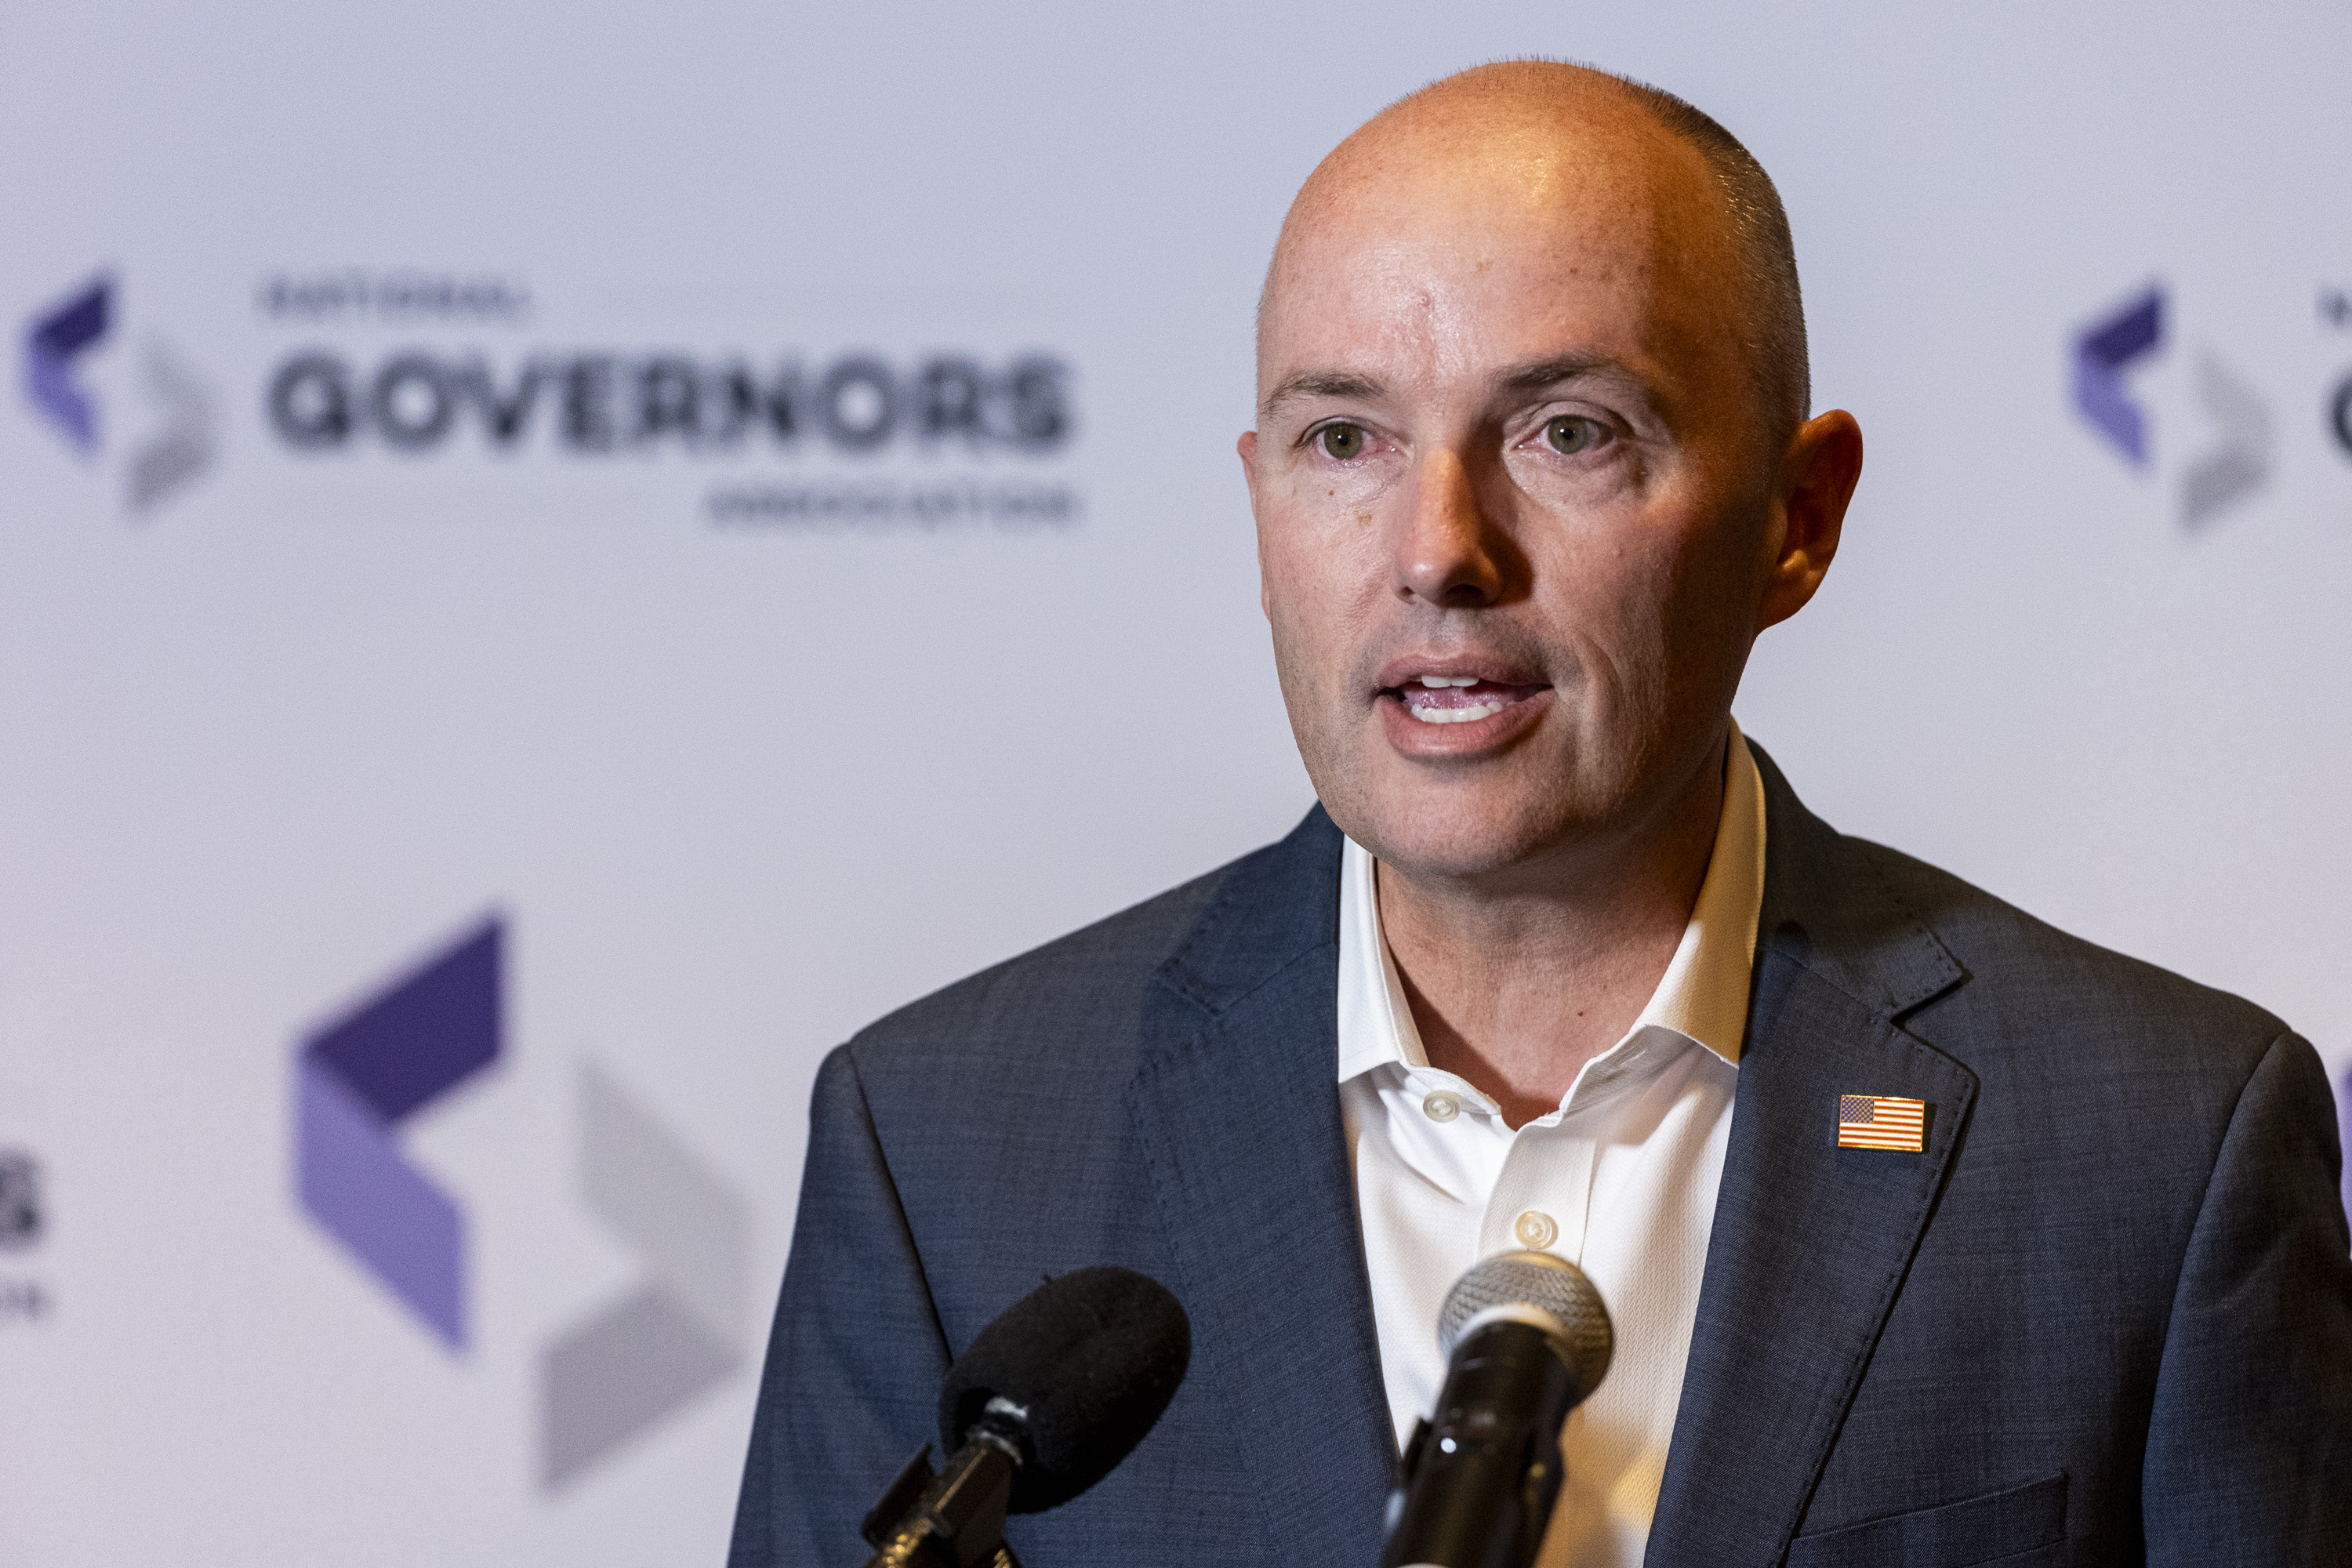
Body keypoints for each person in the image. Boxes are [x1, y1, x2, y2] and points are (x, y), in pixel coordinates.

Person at [728, 60, 2352, 1568]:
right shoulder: (938, 1149)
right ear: (1257, 496)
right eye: (1343, 438)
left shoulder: (2157, 1147)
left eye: (1567, 431)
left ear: (1800, 517)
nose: (1438, 548)